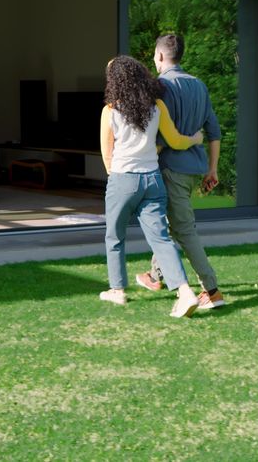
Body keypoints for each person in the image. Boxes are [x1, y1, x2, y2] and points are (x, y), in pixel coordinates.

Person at [99, 55, 204, 318]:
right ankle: (185, 292)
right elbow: (175, 141)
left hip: (123, 179)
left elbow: (107, 155)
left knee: (115, 237)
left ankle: (117, 290)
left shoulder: (110, 110)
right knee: (161, 239)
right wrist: (195, 139)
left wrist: (118, 181)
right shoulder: (156, 106)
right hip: (153, 181)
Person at [136, 34, 227, 309]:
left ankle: (211, 290)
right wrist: (212, 169)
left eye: (154, 56)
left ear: (160, 56)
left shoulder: (161, 86)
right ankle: (155, 275)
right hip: (192, 170)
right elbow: (214, 132)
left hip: (170, 169)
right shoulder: (199, 85)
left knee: (183, 229)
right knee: (171, 223)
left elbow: (160, 137)